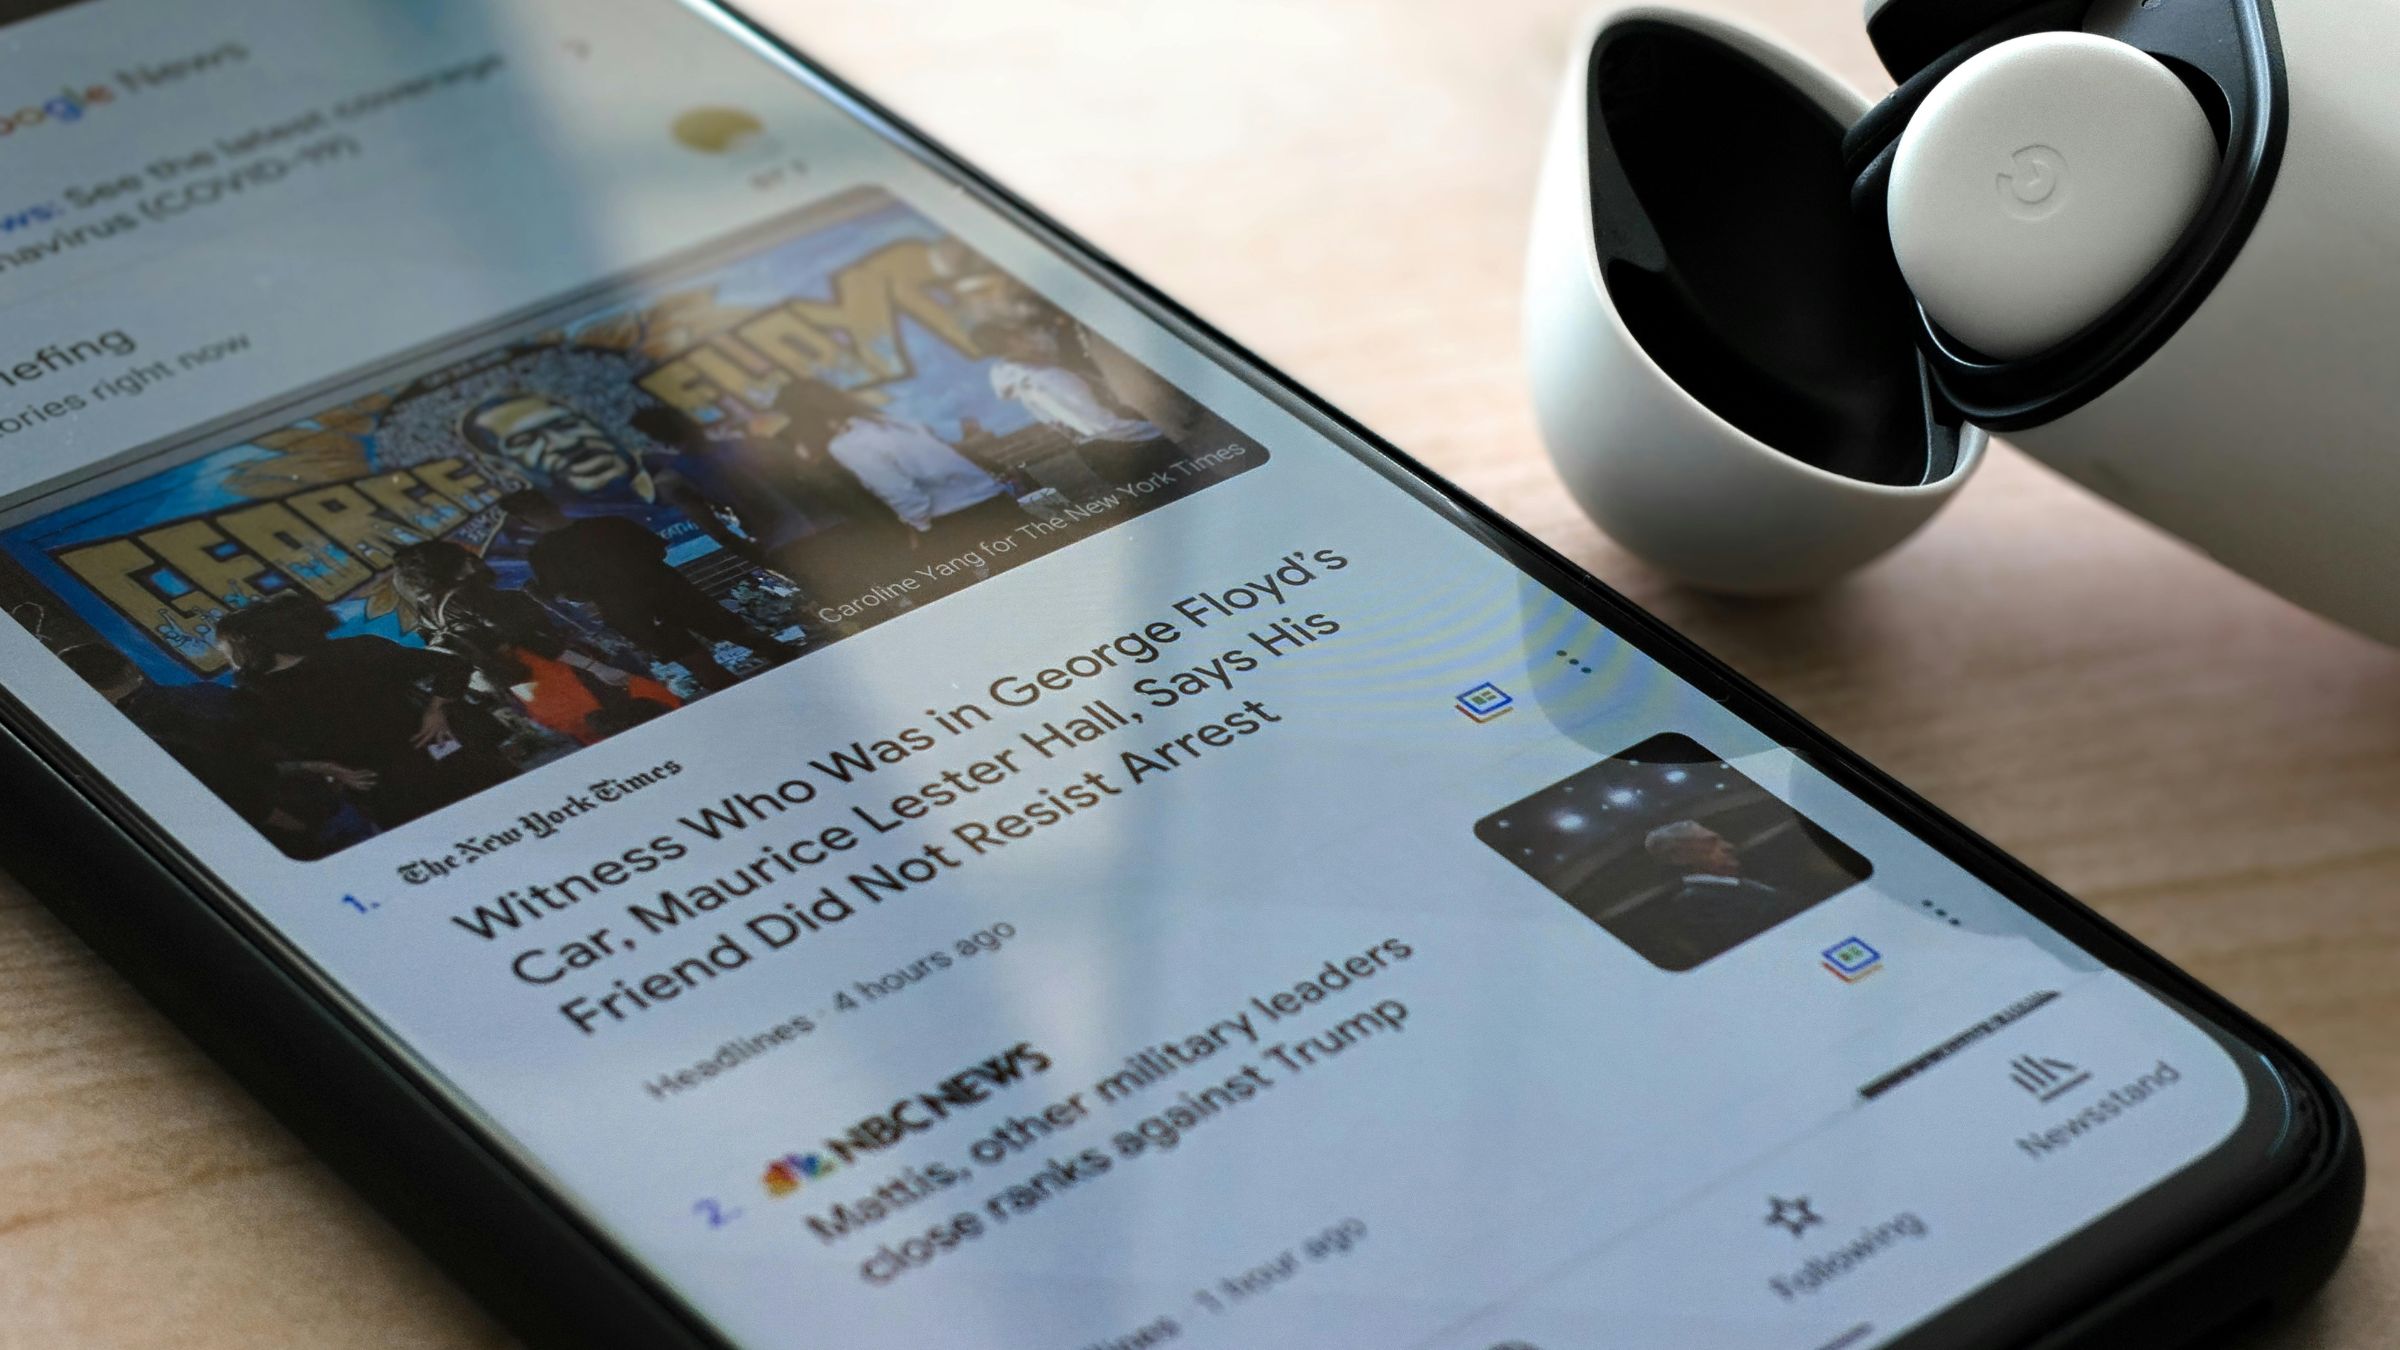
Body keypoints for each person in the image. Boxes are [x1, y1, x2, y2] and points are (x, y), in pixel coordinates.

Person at [212, 593, 516, 834]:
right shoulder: (360, 650)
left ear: (246, 644)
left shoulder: (252, 696)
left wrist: (323, 767)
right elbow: (452, 665)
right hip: (437, 756)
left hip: (381, 783)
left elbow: (250, 754)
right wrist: (437, 710)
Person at [497, 489, 798, 692]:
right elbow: (657, 551)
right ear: (553, 505)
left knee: (698, 664)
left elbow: (568, 593)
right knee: (746, 636)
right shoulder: (610, 525)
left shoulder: (543, 555)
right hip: (671, 591)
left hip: (629, 613)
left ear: (525, 521)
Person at [391, 540, 680, 746]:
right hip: (566, 673)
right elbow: (530, 639)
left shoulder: (428, 618)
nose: (469, 557)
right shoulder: (473, 596)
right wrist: (596, 666)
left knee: (601, 740)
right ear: (448, 564)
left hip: (525, 689)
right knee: (655, 717)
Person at [461, 391, 772, 568]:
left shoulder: (700, 465)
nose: (566, 443)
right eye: (528, 441)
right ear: (503, 467)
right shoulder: (516, 550)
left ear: (596, 424)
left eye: (567, 425)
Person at [772, 376, 1022, 543]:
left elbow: (900, 491)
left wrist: (920, 529)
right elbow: (945, 451)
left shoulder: (847, 445)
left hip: (956, 519)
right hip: (991, 498)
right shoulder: (882, 421)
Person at [1625, 819, 1806, 967]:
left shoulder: (1747, 880)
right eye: (1711, 843)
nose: (1728, 846)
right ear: (1679, 856)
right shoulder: (1693, 904)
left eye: (1721, 840)